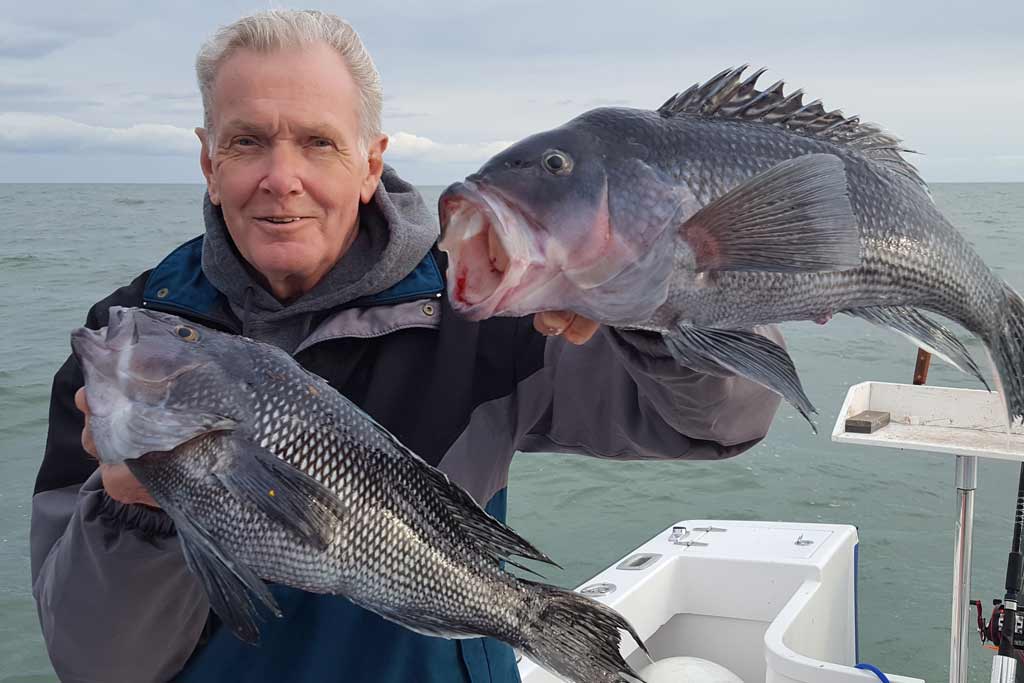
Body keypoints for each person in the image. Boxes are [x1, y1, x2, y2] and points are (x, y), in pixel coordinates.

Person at [29, 10, 781, 683]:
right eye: (247, 141)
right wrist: (135, 507)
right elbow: (98, 665)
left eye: (318, 142)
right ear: (209, 162)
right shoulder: (127, 338)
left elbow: (721, 422)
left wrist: (650, 297)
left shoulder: (482, 304)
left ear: (369, 162)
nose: (281, 178)